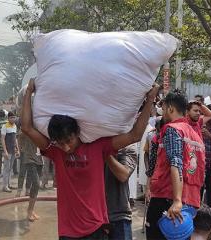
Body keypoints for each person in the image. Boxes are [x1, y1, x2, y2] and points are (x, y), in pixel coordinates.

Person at [21, 78, 159, 239]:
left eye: (68, 141)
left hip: (97, 229)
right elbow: (26, 128)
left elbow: (134, 135)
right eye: (60, 143)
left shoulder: (97, 146)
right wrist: (28, 92)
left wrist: (149, 100)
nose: (65, 147)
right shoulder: (56, 152)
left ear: (77, 132)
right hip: (68, 232)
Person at [146, 90, 205, 239]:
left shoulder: (173, 129)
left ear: (171, 108)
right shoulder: (196, 135)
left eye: (164, 109)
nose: (163, 113)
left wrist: (177, 200)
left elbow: (176, 162)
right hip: (189, 203)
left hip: (168, 200)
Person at [105, 144, 138, 240]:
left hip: (119, 216)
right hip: (94, 217)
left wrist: (104, 152)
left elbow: (123, 175)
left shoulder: (128, 147)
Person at [17, 130, 43, 222]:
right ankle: (29, 211)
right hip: (30, 159)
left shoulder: (42, 128)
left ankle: (31, 210)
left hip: (40, 159)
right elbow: (19, 136)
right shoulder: (28, 128)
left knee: (35, 187)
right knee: (36, 184)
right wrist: (20, 148)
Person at [1, 111, 19, 193]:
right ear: (8, 118)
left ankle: (9, 184)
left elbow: (15, 139)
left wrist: (17, 149)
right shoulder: (5, 126)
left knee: (10, 168)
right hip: (7, 151)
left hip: (13, 150)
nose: (13, 119)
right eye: (11, 117)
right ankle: (5, 186)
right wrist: (5, 152)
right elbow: (3, 140)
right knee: (6, 169)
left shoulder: (15, 126)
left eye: (14, 117)